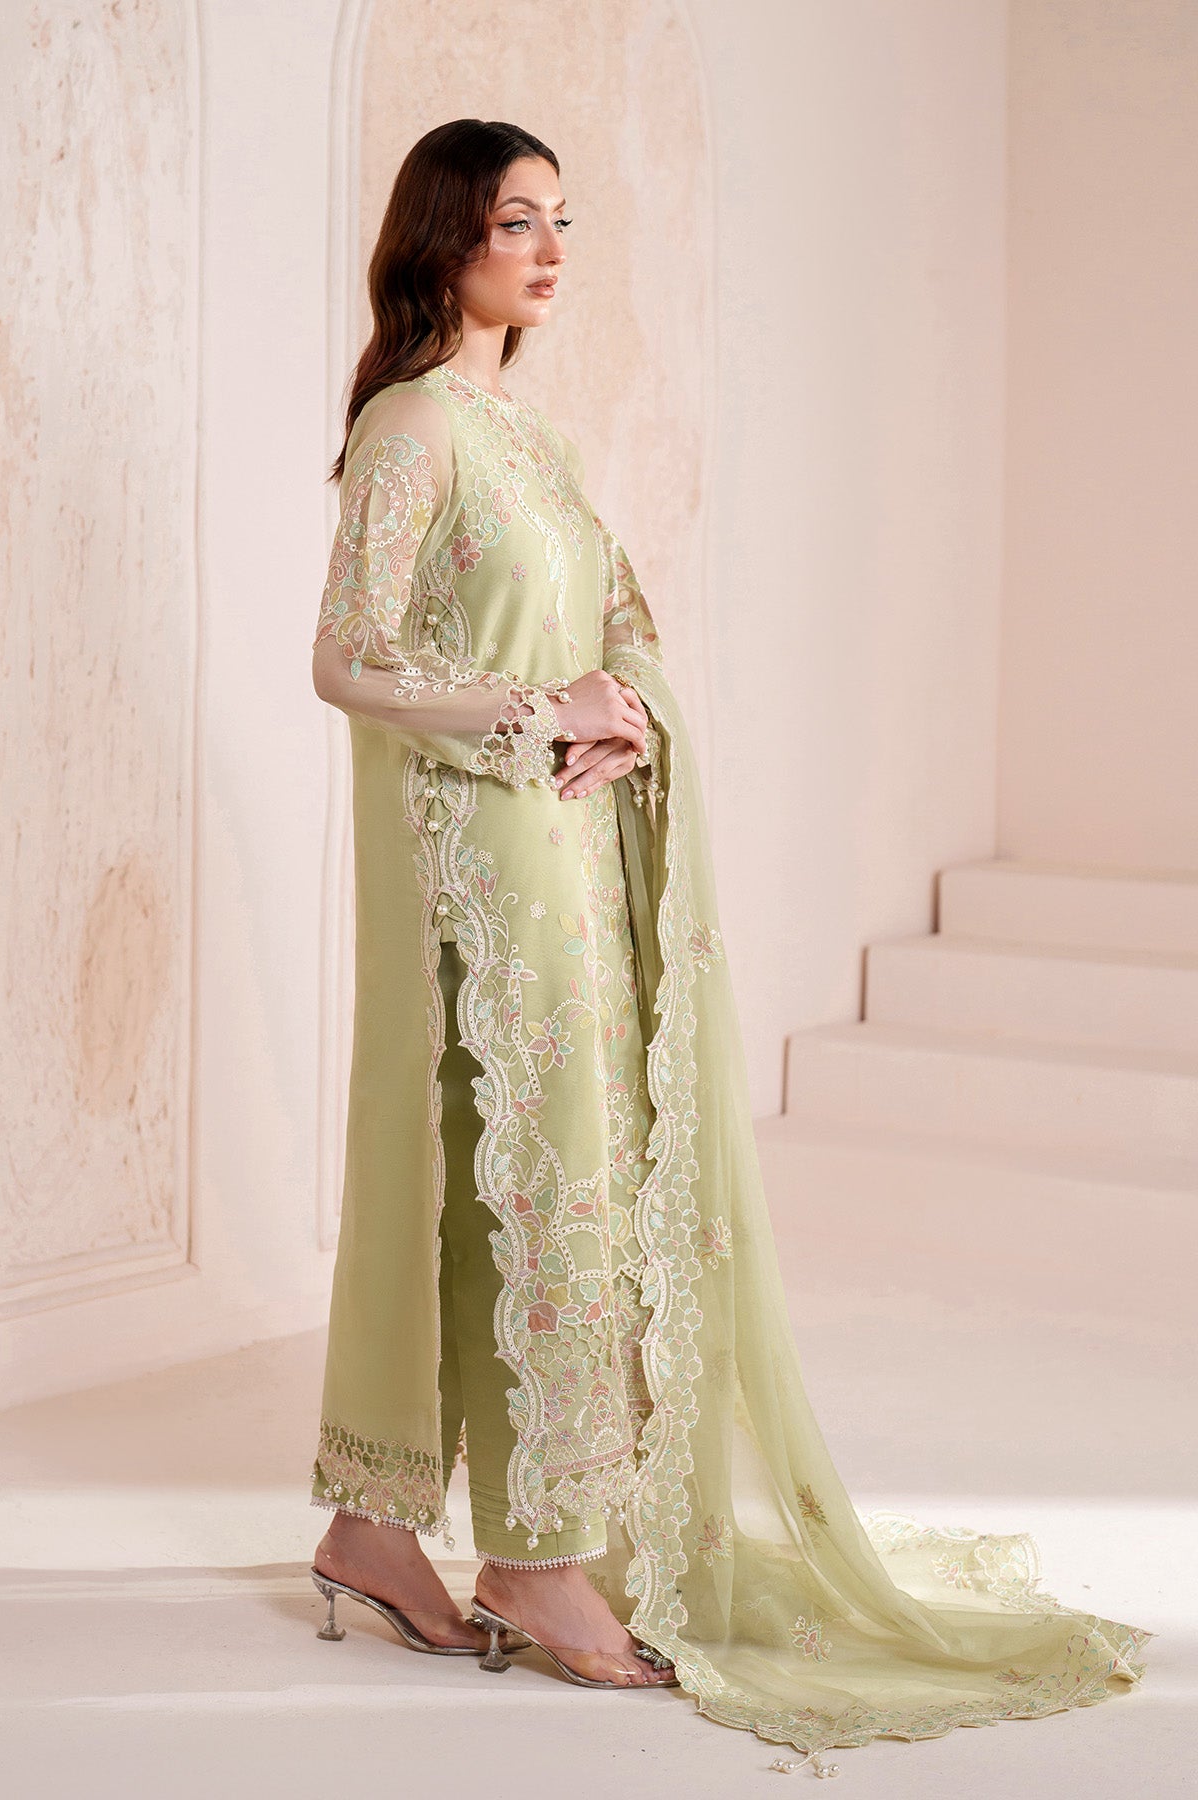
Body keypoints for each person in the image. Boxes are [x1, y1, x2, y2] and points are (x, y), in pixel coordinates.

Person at [307, 117, 1153, 1769]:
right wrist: (538, 708)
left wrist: (626, 704)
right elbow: (347, 658)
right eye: (516, 223)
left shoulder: (526, 436)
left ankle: (381, 1534)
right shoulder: (411, 430)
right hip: (480, 866)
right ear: (444, 238)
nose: (551, 252)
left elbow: (620, 615)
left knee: (571, 1175)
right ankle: (527, 1557)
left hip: (575, 851)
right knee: (522, 1181)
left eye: (562, 221)